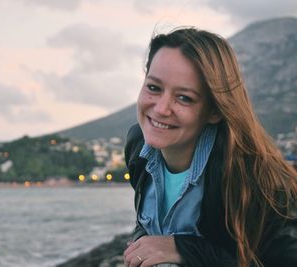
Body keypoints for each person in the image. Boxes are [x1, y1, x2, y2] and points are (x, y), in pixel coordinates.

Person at [123, 27, 297, 267]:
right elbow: (147, 221)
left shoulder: (254, 178)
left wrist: (185, 248)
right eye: (154, 87)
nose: (162, 108)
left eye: (184, 97)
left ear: (214, 110)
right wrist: (143, 242)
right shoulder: (137, 145)